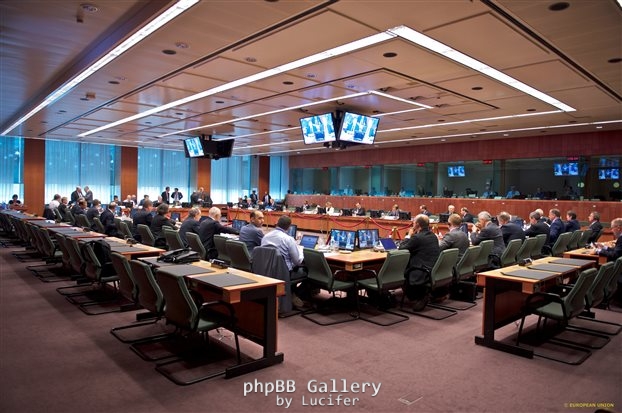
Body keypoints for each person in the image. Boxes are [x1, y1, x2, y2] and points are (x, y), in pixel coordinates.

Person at [260, 215, 305, 307]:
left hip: (267, 270)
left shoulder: (266, 237)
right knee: (307, 271)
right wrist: (301, 251)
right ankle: (294, 295)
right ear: (289, 227)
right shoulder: (288, 239)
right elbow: (297, 261)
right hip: (284, 272)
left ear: (277, 223)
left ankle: (291, 294)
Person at [399, 214, 440, 311]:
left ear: (417, 224)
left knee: (400, 270)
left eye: (413, 222)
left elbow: (402, 248)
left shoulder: (417, 237)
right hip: (432, 269)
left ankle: (417, 297)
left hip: (420, 271)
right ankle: (421, 295)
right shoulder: (433, 236)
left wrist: (408, 236)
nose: (412, 224)